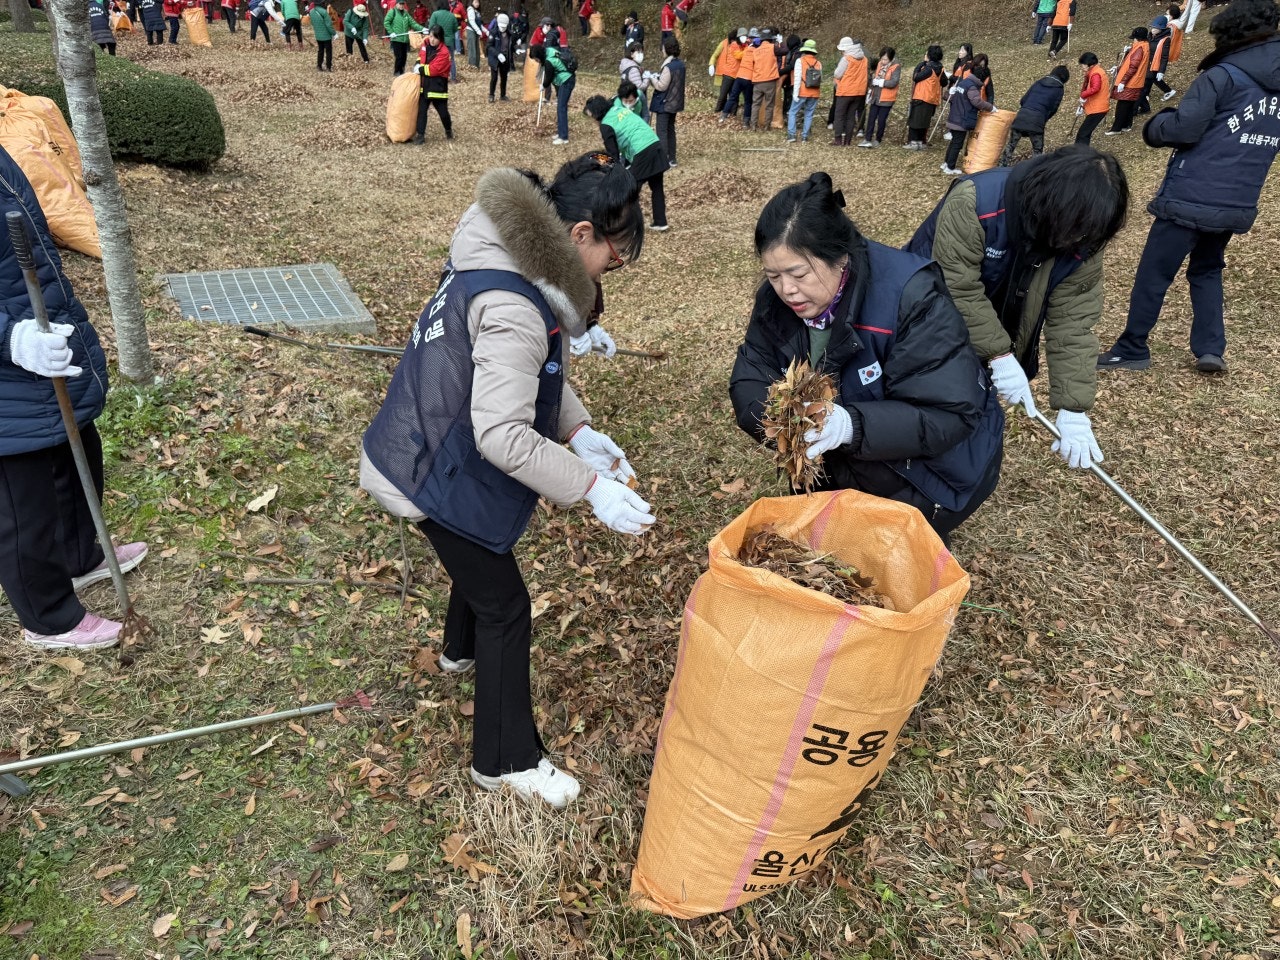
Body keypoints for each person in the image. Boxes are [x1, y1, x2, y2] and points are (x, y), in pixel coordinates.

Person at [361, 154, 652, 809]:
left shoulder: (506, 254)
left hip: (419, 442)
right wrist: (592, 488)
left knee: (487, 546)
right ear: (578, 235)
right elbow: (501, 436)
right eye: (615, 255)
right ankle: (505, 760)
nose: (613, 270)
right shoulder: (516, 300)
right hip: (425, 468)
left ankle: (458, 653)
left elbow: (525, 372)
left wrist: (578, 432)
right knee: (507, 607)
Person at [730, 173, 1005, 545]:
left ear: (840, 257)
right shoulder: (775, 301)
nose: (787, 290)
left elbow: (948, 414)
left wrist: (850, 426)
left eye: (798, 273)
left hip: (926, 475)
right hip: (841, 467)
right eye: (773, 275)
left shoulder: (911, 297)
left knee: (886, 559)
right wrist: (783, 423)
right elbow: (751, 375)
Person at [0, 146, 149, 652]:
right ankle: (48, 618)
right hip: (9, 363)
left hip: (35, 327)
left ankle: (79, 556)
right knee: (24, 502)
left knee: (77, 448)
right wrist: (10, 339)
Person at [908, 146, 1127, 470]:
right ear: (1049, 204)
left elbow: (1074, 324)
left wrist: (1073, 408)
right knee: (925, 386)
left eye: (1088, 233)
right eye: (1075, 229)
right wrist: (999, 354)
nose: (1079, 240)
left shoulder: (1086, 240)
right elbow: (955, 286)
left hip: (996, 317)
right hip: (925, 309)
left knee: (972, 397)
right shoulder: (977, 201)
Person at [1099, 0, 1279, 375]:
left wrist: (1155, 126)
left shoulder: (1223, 75)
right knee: (1207, 268)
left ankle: (1132, 346)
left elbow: (1185, 128)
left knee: (1154, 272)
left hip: (1191, 194)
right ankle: (1211, 348)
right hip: (1238, 198)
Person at [585, 92, 669, 232]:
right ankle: (660, 222)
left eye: (591, 116)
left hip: (642, 151)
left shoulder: (606, 125)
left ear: (596, 113)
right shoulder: (618, 109)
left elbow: (613, 156)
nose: (592, 120)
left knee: (629, 189)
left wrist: (597, 159)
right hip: (654, 143)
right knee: (657, 187)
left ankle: (625, 225)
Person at [1001, 65, 1069, 164]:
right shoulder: (1059, 89)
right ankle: (1035, 172)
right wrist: (1043, 117)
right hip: (1037, 121)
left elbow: (1023, 100)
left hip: (1021, 117)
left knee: (1011, 145)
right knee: (1037, 151)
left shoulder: (1039, 82)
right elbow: (1054, 108)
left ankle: (1001, 166)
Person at [940, 63, 993, 174]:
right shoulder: (972, 86)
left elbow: (953, 98)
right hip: (962, 120)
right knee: (957, 144)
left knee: (954, 142)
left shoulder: (964, 83)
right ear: (981, 78)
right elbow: (977, 101)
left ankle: (946, 163)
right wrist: (991, 107)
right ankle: (950, 167)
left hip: (954, 117)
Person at [412, 25, 453, 142]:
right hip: (425, 84)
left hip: (438, 86)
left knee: (443, 112)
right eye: (430, 36)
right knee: (422, 110)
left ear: (440, 38)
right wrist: (417, 63)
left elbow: (435, 69)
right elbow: (421, 56)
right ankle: (420, 135)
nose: (432, 39)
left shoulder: (444, 52)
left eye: (435, 37)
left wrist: (420, 69)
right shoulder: (425, 44)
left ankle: (448, 129)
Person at [1106, 27, 1151, 134]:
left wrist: (1123, 82)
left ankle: (1116, 128)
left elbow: (1133, 67)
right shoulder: (1141, 47)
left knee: (1122, 106)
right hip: (1135, 82)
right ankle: (1127, 125)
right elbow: (1129, 64)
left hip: (1131, 82)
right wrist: (1117, 69)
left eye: (1134, 38)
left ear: (1138, 38)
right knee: (1129, 105)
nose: (1133, 41)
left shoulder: (1139, 49)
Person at [530, 43, 576, 146]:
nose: (536, 62)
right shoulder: (549, 50)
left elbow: (549, 77)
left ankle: (563, 137)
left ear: (539, 56)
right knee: (560, 107)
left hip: (566, 81)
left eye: (536, 59)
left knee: (561, 108)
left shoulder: (549, 61)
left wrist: (544, 85)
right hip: (565, 80)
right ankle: (560, 132)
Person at [650, 36, 685, 167]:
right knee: (670, 130)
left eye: (663, 48)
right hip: (675, 102)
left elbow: (661, 86)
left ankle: (663, 160)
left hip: (665, 103)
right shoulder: (681, 64)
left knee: (662, 131)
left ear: (667, 49)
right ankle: (672, 158)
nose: (662, 50)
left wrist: (652, 79)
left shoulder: (668, 67)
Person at [859, 47, 900, 147]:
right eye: (882, 58)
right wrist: (871, 88)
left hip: (887, 98)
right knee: (871, 118)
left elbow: (894, 82)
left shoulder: (896, 67)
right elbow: (875, 77)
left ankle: (878, 139)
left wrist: (882, 82)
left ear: (891, 58)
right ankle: (867, 138)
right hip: (876, 96)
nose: (883, 61)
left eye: (885, 59)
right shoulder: (879, 64)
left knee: (881, 120)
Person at [906, 44, 944, 149]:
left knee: (915, 121)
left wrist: (921, 64)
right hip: (932, 99)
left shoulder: (928, 68)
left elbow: (916, 77)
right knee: (924, 121)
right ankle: (920, 142)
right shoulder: (940, 68)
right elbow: (944, 82)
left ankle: (913, 142)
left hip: (921, 97)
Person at [831, 37, 867, 146]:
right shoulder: (864, 58)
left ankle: (838, 140)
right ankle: (847, 141)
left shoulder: (846, 58)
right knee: (851, 116)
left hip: (845, 91)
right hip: (859, 91)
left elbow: (838, 74)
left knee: (839, 115)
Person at [787, 38, 821, 143]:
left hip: (802, 91)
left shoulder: (800, 61)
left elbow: (797, 78)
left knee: (793, 112)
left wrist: (795, 94)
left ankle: (792, 135)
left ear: (804, 49)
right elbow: (820, 79)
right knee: (809, 114)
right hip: (814, 92)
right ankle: (805, 137)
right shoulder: (818, 63)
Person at [1140, 16, 1178, 111]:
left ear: (1161, 29)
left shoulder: (1165, 40)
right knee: (1151, 79)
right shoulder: (1150, 36)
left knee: (1150, 78)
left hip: (1154, 63)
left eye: (1156, 28)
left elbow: (1164, 57)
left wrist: (1161, 71)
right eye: (1152, 27)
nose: (1153, 30)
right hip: (1147, 62)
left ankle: (1167, 91)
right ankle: (1149, 94)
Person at [720, 28, 756, 127]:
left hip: (740, 75)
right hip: (737, 75)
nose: (745, 38)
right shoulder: (736, 45)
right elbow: (738, 56)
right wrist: (749, 48)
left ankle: (741, 120)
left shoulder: (746, 46)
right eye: (743, 36)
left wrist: (747, 47)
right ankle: (724, 116)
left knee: (741, 99)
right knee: (736, 98)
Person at [1074, 52, 1112, 144]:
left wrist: (1083, 96)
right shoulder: (1095, 71)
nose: (1082, 67)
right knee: (1085, 133)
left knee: (1083, 134)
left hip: (1098, 108)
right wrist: (1083, 105)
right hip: (1097, 107)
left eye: (1083, 65)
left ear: (1089, 65)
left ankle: (1080, 155)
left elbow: (1095, 88)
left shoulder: (1095, 74)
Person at [749, 29, 781, 132]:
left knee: (755, 104)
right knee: (769, 105)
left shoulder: (755, 50)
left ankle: (753, 126)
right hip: (769, 80)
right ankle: (767, 126)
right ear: (771, 39)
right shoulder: (773, 47)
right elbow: (785, 51)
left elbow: (752, 63)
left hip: (757, 81)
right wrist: (779, 43)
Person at [386, 0, 426, 75]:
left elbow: (413, 23)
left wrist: (422, 29)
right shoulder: (392, 12)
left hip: (405, 39)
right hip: (396, 39)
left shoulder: (406, 13)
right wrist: (391, 32)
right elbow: (386, 22)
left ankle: (402, 71)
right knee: (399, 57)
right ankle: (397, 71)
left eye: (402, 4)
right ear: (396, 4)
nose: (401, 5)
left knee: (404, 57)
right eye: (400, 4)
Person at [710, 28, 742, 115]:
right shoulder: (724, 43)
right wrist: (711, 64)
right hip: (725, 73)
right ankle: (719, 111)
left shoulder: (742, 46)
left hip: (736, 74)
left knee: (733, 95)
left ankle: (732, 113)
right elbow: (715, 55)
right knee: (724, 95)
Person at [619, 42, 648, 120]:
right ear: (631, 54)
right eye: (638, 52)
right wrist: (646, 78)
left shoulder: (626, 65)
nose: (641, 54)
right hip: (634, 101)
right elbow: (640, 88)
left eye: (642, 52)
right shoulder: (633, 69)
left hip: (626, 98)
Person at [486, 12, 512, 101]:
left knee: (504, 77)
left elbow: (510, 45)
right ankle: (491, 95)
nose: (502, 28)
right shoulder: (493, 32)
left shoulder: (509, 33)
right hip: (494, 59)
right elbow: (489, 46)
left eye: (504, 27)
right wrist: (498, 54)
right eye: (501, 26)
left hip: (505, 59)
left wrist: (516, 49)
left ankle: (503, 95)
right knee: (494, 77)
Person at [311, 0, 336, 69]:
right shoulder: (324, 12)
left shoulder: (311, 12)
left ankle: (319, 65)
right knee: (328, 51)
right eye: (323, 3)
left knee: (320, 50)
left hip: (318, 35)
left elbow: (313, 23)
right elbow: (329, 25)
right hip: (326, 36)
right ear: (321, 4)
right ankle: (329, 67)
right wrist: (334, 33)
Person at [466, 0, 485, 69]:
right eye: (475, 2)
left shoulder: (477, 11)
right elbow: (472, 22)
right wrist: (478, 31)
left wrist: (486, 31)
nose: (477, 4)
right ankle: (472, 65)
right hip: (471, 30)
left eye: (478, 2)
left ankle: (477, 64)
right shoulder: (470, 10)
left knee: (477, 48)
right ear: (472, 2)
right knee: (472, 48)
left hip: (476, 31)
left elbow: (479, 24)